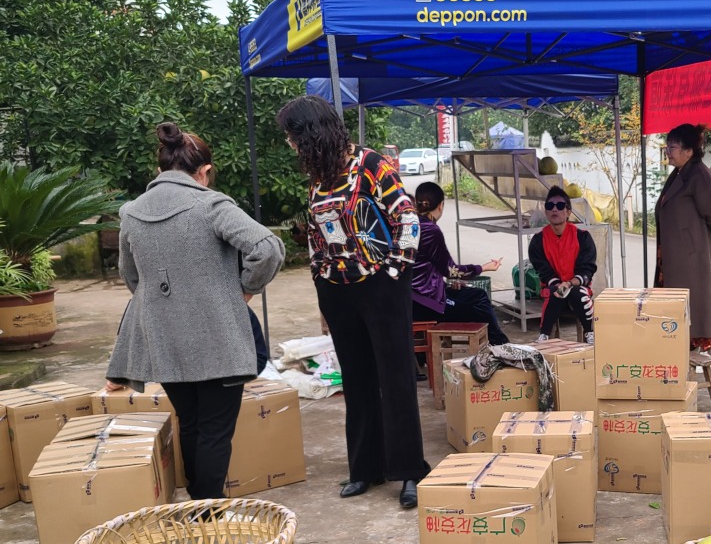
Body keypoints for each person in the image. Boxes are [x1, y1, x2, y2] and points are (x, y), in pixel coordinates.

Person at [106, 122, 284, 500]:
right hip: (218, 338)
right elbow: (267, 247)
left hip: (164, 340)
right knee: (216, 428)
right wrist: (243, 291)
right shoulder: (212, 206)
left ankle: (199, 509)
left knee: (190, 421)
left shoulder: (132, 213)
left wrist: (162, 302)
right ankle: (209, 511)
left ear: (160, 170)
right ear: (204, 172)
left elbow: (130, 274)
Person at [276, 95, 429, 508]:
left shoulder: (371, 165)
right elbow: (315, 235)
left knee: (395, 379)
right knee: (356, 380)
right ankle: (364, 468)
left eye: (292, 136)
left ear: (309, 133)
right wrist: (321, 288)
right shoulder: (319, 175)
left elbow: (407, 219)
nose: (290, 145)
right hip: (337, 289)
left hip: (382, 287)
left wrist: (394, 272)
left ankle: (409, 470)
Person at [654, 122, 711, 366]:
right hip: (678, 251)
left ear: (689, 150)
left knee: (698, 303)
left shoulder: (700, 176)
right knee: (680, 301)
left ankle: (703, 349)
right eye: (667, 146)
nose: (668, 151)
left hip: (693, 253)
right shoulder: (680, 172)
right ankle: (680, 344)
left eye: (673, 147)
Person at [410, 182, 508, 345]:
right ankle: (503, 347)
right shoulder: (429, 230)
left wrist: (444, 285)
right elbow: (451, 271)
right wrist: (483, 267)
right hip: (426, 303)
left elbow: (425, 268)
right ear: (440, 206)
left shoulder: (410, 226)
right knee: (477, 310)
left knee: (478, 295)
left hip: (418, 296)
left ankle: (501, 344)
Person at [528, 185, 597, 343]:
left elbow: (587, 269)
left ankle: (589, 333)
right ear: (545, 212)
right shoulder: (538, 241)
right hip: (553, 287)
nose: (554, 210)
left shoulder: (583, 238)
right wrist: (559, 285)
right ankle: (544, 335)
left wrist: (570, 283)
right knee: (556, 292)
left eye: (560, 206)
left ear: (568, 212)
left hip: (577, 286)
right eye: (550, 206)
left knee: (575, 292)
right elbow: (543, 271)